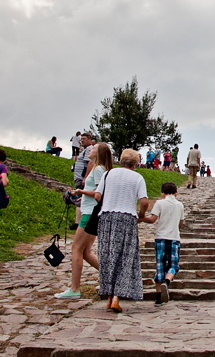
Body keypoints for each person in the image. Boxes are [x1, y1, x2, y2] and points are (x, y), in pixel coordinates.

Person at [55, 142, 113, 299]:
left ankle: (74, 289)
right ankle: (110, 280)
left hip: (90, 213)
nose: (89, 150)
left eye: (93, 148)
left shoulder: (99, 169)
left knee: (77, 248)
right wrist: (79, 195)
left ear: (98, 153)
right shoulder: (98, 168)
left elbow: (98, 193)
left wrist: (81, 190)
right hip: (91, 210)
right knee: (86, 251)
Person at [95, 148, 149, 313]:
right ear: (134, 164)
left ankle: (109, 295)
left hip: (106, 216)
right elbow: (144, 201)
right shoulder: (137, 177)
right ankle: (117, 297)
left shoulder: (108, 174)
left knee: (108, 255)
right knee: (125, 256)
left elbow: (97, 195)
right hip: (127, 217)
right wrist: (141, 214)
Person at [139, 182, 184, 306]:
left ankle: (158, 298)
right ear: (176, 193)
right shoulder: (180, 205)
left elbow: (152, 219)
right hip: (174, 238)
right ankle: (167, 282)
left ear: (162, 193)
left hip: (160, 238)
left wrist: (141, 218)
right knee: (173, 266)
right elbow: (181, 223)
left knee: (160, 266)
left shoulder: (159, 203)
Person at [71, 132, 94, 230]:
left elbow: (89, 163)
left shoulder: (89, 149)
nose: (82, 140)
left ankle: (78, 223)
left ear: (89, 139)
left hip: (81, 179)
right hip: (79, 178)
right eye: (81, 139)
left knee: (80, 199)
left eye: (84, 138)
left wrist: (85, 178)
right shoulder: (85, 150)